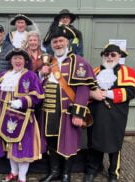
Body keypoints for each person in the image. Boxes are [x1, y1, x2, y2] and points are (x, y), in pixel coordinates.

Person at [38, 25, 96, 182]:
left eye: (60, 41)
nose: (57, 44)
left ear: (68, 42)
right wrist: (40, 74)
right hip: (49, 110)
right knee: (51, 141)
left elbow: (83, 90)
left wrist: (78, 113)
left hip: (67, 111)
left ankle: (66, 174)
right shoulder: (47, 62)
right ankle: (55, 171)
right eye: (54, 42)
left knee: (68, 142)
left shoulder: (79, 62)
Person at [83, 44, 135, 182]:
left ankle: (114, 173)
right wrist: (91, 93)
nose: (109, 57)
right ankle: (93, 169)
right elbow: (85, 90)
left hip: (116, 114)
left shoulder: (128, 72)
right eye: (106, 54)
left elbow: (131, 92)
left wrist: (108, 93)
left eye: (113, 54)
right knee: (94, 142)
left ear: (120, 56)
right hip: (96, 112)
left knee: (115, 143)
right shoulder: (94, 71)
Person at [0, 48, 44, 182]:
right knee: (9, 145)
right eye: (15, 58)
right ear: (11, 61)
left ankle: (22, 177)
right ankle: (13, 172)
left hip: (22, 118)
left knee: (22, 147)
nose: (17, 61)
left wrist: (22, 101)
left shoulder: (31, 76)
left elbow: (38, 96)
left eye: (20, 58)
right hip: (3, 117)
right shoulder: (3, 75)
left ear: (25, 61)